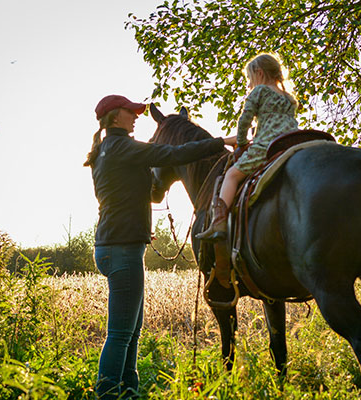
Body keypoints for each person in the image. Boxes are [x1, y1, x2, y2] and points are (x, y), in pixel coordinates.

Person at [85, 94, 236, 399]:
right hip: (122, 248)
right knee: (120, 333)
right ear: (116, 117)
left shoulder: (105, 151)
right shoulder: (121, 146)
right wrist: (222, 141)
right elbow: (173, 155)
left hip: (117, 244)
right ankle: (108, 394)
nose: (137, 116)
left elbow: (132, 195)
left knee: (132, 331)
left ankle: (128, 391)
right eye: (132, 112)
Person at [196, 53, 298, 241]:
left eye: (250, 79)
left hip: (267, 146)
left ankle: (219, 222)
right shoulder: (288, 97)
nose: (250, 85)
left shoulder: (259, 92)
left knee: (231, 175)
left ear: (259, 73)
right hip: (293, 143)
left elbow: (244, 121)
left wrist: (242, 143)